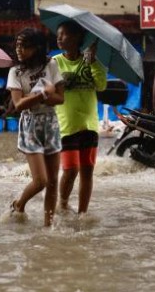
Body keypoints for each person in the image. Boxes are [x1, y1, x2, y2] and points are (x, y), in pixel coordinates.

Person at [6, 28, 65, 227]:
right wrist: (42, 94)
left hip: (51, 124)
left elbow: (60, 98)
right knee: (41, 181)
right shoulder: (15, 72)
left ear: (37, 47)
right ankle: (18, 204)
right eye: (17, 45)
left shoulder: (51, 64)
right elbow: (18, 104)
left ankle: (48, 225)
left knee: (53, 181)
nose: (19, 50)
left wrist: (49, 95)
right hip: (30, 124)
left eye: (25, 46)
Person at [53, 20, 107, 215]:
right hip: (66, 125)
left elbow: (101, 85)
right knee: (70, 170)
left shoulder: (94, 62)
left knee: (87, 170)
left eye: (64, 34)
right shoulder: (55, 62)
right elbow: (49, 87)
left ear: (76, 38)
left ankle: (83, 213)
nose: (59, 38)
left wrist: (92, 62)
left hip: (90, 124)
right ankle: (63, 204)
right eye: (58, 34)